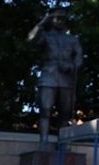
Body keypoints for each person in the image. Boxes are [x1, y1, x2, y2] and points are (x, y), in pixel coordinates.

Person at [28, 8, 83, 147]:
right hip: (48, 76)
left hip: (66, 79)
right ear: (50, 20)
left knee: (65, 114)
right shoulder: (45, 36)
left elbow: (79, 58)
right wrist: (42, 22)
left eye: (62, 18)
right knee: (45, 110)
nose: (59, 20)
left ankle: (63, 143)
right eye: (56, 18)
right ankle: (44, 142)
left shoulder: (72, 39)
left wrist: (71, 66)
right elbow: (31, 39)